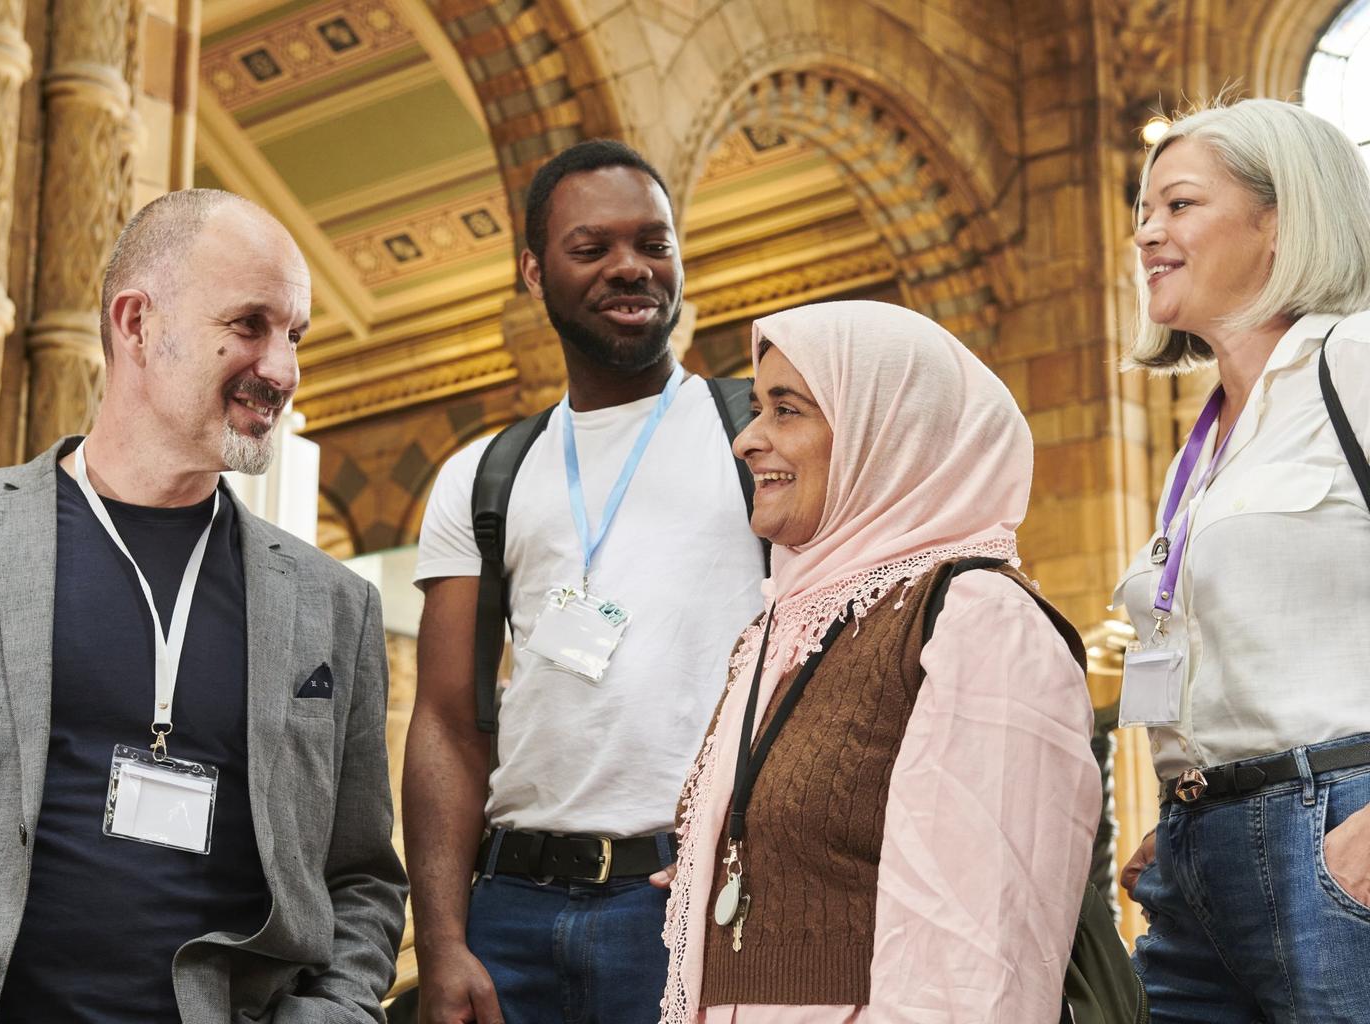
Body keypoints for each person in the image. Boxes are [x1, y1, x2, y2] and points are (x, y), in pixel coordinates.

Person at [0, 188, 408, 1023]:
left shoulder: (335, 607)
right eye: (249, 325)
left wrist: (336, 1012)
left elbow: (359, 877)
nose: (282, 370)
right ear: (136, 323)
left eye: (295, 336)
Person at [660, 300, 1103, 1023]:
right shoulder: (778, 630)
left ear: (887, 433)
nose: (747, 439)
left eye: (786, 411)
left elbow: (978, 961)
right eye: (755, 408)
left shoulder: (977, 619)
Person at [405, 140, 765, 1024]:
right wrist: (445, 942)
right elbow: (447, 722)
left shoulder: (761, 436)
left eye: (654, 242)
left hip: (695, 897)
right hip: (514, 912)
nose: (630, 268)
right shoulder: (484, 473)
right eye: (592, 247)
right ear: (533, 271)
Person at [1113, 98, 1370, 1022]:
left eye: (1179, 206)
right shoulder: (1210, 440)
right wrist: (1192, 811)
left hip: (1338, 827)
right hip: (1197, 857)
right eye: (1143, 213)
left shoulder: (1358, 360)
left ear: (1281, 221)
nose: (1148, 234)